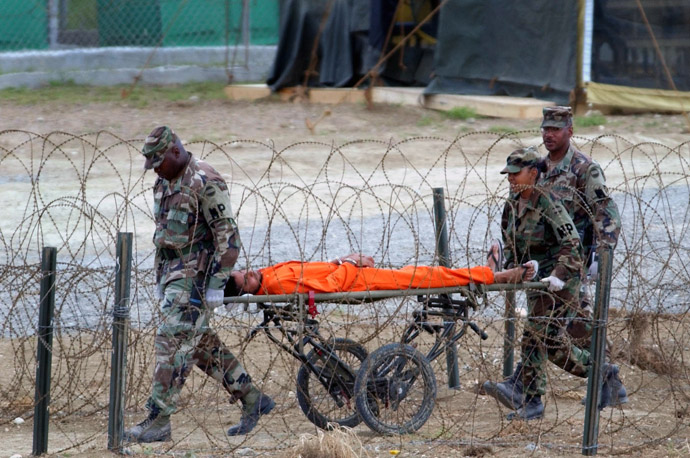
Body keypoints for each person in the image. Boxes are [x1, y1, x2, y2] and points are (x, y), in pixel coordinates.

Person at [123, 126, 274, 443]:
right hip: (173, 274)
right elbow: (164, 234)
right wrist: (161, 278)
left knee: (171, 341)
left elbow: (229, 239)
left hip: (196, 277)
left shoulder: (205, 180)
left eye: (159, 162)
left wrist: (217, 284)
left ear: (175, 151)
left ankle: (159, 419)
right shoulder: (164, 181)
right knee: (201, 345)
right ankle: (252, 398)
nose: (156, 170)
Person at [483, 107, 627, 413]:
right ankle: (602, 381)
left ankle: (596, 379)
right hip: (541, 263)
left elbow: (605, 210)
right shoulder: (536, 166)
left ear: (569, 131)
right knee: (570, 326)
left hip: (571, 260)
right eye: (545, 129)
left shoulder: (583, 168)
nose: (549, 134)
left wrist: (603, 252)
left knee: (559, 328)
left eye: (556, 130)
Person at [223, 252, 537, 297]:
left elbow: (317, 270)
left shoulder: (266, 274)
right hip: (364, 280)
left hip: (357, 271)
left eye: (243, 271)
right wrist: (351, 262)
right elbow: (330, 285)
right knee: (431, 276)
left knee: (430, 272)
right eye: (245, 279)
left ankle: (487, 272)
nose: (249, 272)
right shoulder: (277, 282)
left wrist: (341, 259)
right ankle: (498, 276)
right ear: (246, 291)